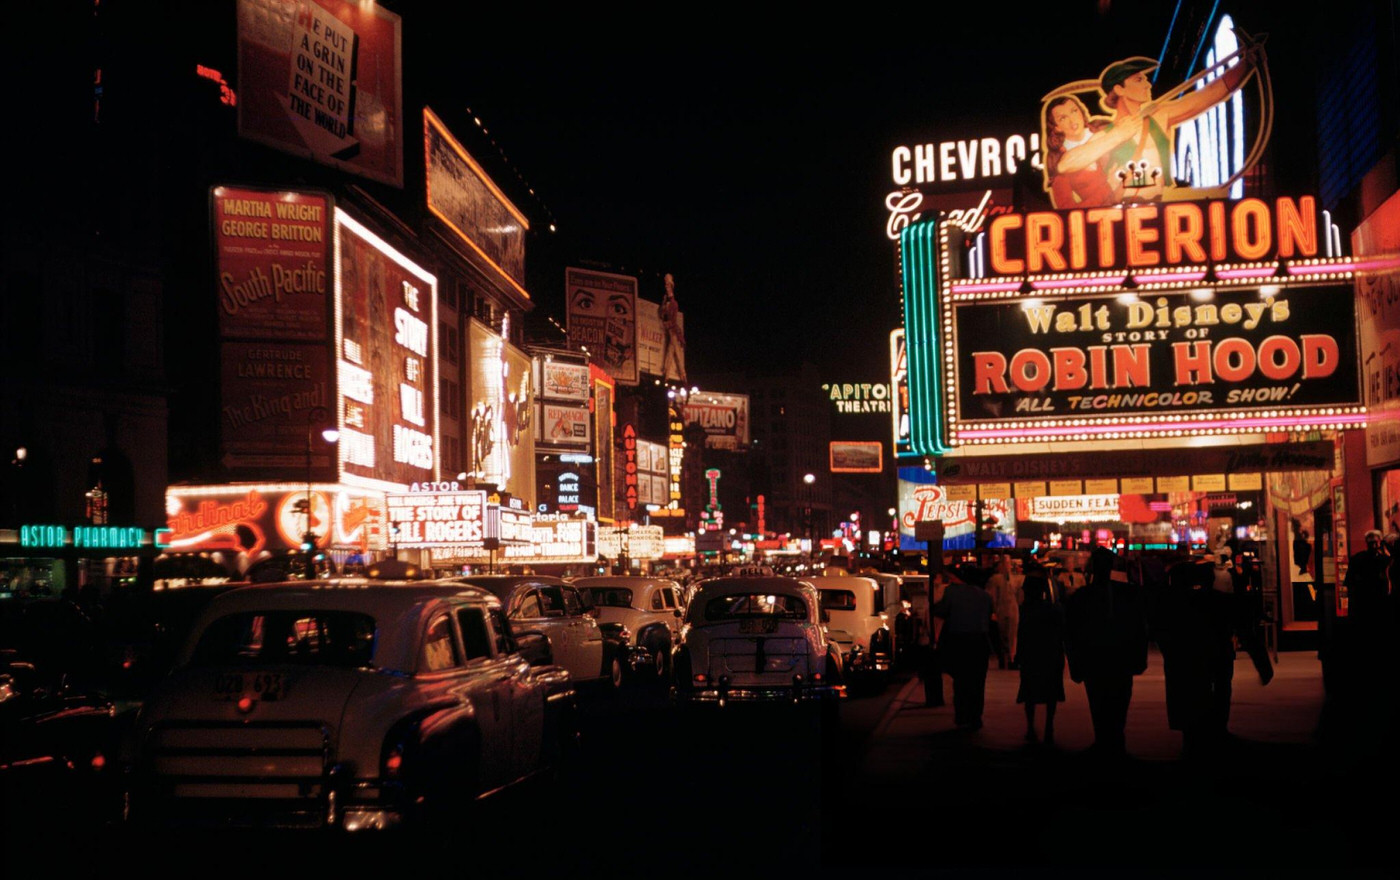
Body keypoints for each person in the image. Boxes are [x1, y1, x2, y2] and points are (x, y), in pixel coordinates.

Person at [1057, 43, 1261, 205]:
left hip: (1162, 208)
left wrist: (1247, 63)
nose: (1148, 84)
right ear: (1119, 89)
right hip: (1121, 213)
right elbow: (1066, 164)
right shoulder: (1107, 134)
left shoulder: (1160, 115)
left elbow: (1208, 96)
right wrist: (1118, 135)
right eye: (1139, 80)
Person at [1063, 545, 1149, 759]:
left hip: (1107, 659)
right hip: (1106, 659)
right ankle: (1108, 742)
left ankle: (1110, 743)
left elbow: (1072, 633)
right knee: (1108, 703)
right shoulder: (1122, 593)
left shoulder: (1088, 596)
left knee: (1107, 702)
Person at [933, 566, 995, 729]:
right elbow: (989, 617)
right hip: (980, 641)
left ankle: (962, 714)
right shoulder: (985, 596)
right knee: (977, 681)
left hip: (959, 640)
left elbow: (941, 611)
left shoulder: (952, 592)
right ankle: (976, 716)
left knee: (961, 681)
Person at [1015, 574, 1066, 744]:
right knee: (1051, 692)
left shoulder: (1025, 610)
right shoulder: (1054, 609)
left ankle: (1031, 727)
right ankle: (1049, 726)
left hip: (1032, 654)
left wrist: (1019, 655)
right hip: (1050, 653)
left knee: (1030, 692)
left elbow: (1022, 635)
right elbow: (1061, 634)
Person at [1041, 95, 1115, 209]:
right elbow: (1068, 210)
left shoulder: (1103, 127)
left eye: (1074, 111)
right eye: (1063, 118)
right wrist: (1106, 189)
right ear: (1056, 127)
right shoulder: (1057, 159)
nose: (1072, 120)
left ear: (1081, 112)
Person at [1344, 529, 1392, 633]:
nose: (1374, 546)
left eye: (1375, 543)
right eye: (1372, 543)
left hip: (1367, 600)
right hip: (1370, 600)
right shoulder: (1384, 560)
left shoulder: (1358, 558)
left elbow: (1349, 581)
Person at [986, 556, 1021, 669]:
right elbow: (992, 596)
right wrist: (993, 610)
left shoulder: (1015, 579)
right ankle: (1004, 657)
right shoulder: (995, 579)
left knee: (1012, 635)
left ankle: (1011, 658)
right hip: (1001, 608)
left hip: (1012, 608)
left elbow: (1019, 595)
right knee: (1002, 634)